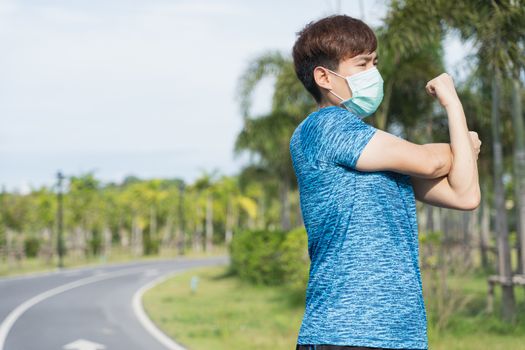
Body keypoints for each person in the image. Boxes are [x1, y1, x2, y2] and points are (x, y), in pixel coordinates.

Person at [289, 14, 481, 350]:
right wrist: (458, 132)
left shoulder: (379, 154)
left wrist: (454, 118)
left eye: (374, 62)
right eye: (362, 64)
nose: (372, 74)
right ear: (324, 77)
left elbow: (464, 195)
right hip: (344, 332)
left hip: (401, 335)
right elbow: (430, 160)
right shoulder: (325, 127)